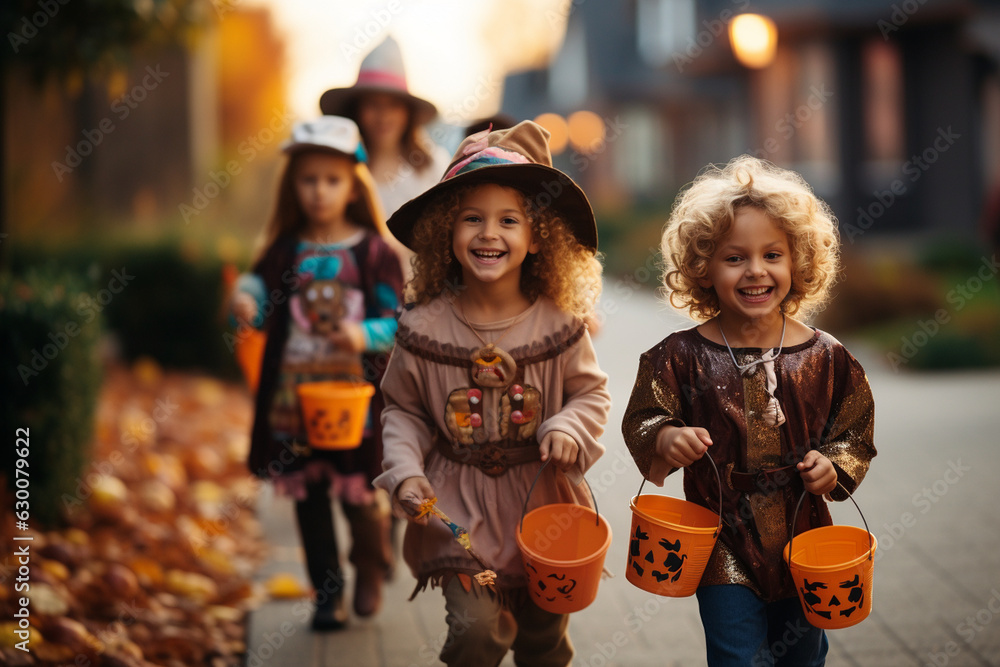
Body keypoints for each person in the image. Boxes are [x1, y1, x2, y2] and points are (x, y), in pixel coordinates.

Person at [621, 155, 876, 666]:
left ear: (798, 261)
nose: (756, 270)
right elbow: (645, 416)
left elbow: (853, 431)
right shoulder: (679, 356)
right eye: (735, 258)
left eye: (772, 255)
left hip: (805, 535)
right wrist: (666, 437)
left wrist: (834, 465)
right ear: (703, 269)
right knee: (736, 656)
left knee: (802, 655)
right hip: (721, 542)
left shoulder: (827, 357)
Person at [373, 120, 611, 666]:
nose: (488, 234)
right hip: (459, 516)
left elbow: (591, 395)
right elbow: (404, 411)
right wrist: (405, 470)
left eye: (509, 220)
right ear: (446, 231)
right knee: (477, 630)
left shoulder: (560, 325)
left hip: (544, 507)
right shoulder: (423, 328)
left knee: (542, 639)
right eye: (472, 218)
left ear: (537, 237)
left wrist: (568, 425)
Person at [230, 116, 403, 631]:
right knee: (308, 498)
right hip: (294, 401)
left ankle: (370, 561)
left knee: (359, 492)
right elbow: (259, 292)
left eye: (332, 180)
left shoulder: (374, 253)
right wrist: (245, 299)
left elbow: (399, 322)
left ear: (353, 185)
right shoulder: (285, 250)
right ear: (292, 185)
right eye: (308, 179)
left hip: (354, 403)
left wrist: (361, 335)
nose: (319, 191)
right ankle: (328, 594)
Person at [320, 36, 450, 281]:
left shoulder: (434, 166)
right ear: (356, 109)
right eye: (373, 104)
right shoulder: (342, 168)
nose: (383, 115)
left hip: (421, 291)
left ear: (407, 111)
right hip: (353, 291)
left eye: (393, 105)